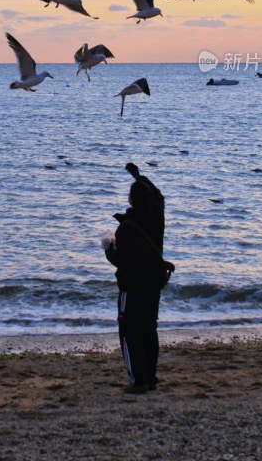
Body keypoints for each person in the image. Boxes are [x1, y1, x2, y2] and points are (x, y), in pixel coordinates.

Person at [103, 162, 167, 394]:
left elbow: (122, 261)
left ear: (131, 201)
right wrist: (139, 176)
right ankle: (150, 377)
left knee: (130, 331)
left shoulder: (126, 228)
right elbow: (158, 195)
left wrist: (109, 250)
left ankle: (138, 380)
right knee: (149, 328)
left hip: (132, 286)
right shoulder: (157, 217)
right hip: (154, 284)